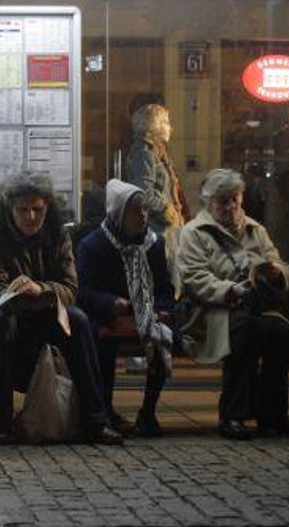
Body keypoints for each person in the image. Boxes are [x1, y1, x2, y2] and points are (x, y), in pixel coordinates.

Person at [0, 172, 123, 445]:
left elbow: (71, 288)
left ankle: (96, 420)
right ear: (10, 209)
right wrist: (20, 294)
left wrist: (41, 290)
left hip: (42, 302)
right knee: (2, 323)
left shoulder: (58, 233)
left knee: (79, 320)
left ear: (47, 208)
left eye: (37, 209)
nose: (31, 217)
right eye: (23, 210)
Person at [177, 168, 289, 440]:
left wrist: (275, 273)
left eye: (235, 199)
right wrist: (232, 290)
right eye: (223, 201)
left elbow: (281, 264)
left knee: (280, 334)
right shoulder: (194, 232)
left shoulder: (255, 229)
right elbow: (195, 278)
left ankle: (272, 415)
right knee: (243, 332)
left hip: (255, 306)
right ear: (208, 202)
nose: (231, 206)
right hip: (213, 310)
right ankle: (233, 416)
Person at [76, 179, 177, 437]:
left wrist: (161, 310)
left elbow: (165, 288)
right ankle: (104, 410)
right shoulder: (93, 245)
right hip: (108, 315)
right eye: (135, 211)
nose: (142, 217)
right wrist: (111, 303)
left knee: (163, 333)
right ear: (118, 212)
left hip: (144, 314)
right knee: (103, 340)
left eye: (144, 210)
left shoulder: (154, 244)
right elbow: (83, 292)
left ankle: (148, 412)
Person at [126, 104, 190, 287]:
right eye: (166, 122)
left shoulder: (155, 153)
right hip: (156, 230)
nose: (170, 127)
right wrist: (166, 211)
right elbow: (143, 193)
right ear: (154, 125)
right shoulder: (144, 154)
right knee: (164, 283)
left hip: (164, 229)